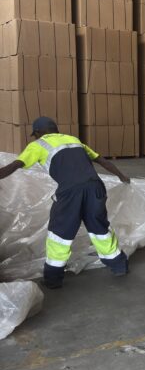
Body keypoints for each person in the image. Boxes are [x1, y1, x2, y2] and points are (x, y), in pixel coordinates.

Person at [0, 117, 131, 289]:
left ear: (38, 133)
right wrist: (122, 176)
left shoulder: (38, 145)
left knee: (59, 234)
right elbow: (102, 160)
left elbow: (16, 165)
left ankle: (53, 279)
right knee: (99, 228)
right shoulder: (74, 140)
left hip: (70, 192)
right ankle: (119, 266)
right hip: (95, 187)